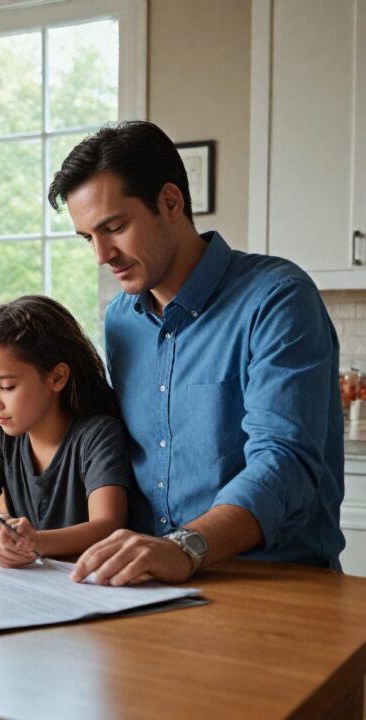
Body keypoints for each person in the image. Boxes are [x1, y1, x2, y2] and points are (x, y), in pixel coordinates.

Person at [46, 120, 345, 585]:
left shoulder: (277, 298)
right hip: (146, 582)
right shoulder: (121, 319)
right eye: (88, 237)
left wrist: (182, 547)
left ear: (170, 202)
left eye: (115, 227)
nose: (101, 256)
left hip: (272, 581)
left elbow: (285, 462)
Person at [0, 295, 133, 567]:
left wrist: (34, 543)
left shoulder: (98, 435)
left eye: (7, 386)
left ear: (57, 377)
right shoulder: (1, 435)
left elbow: (108, 526)